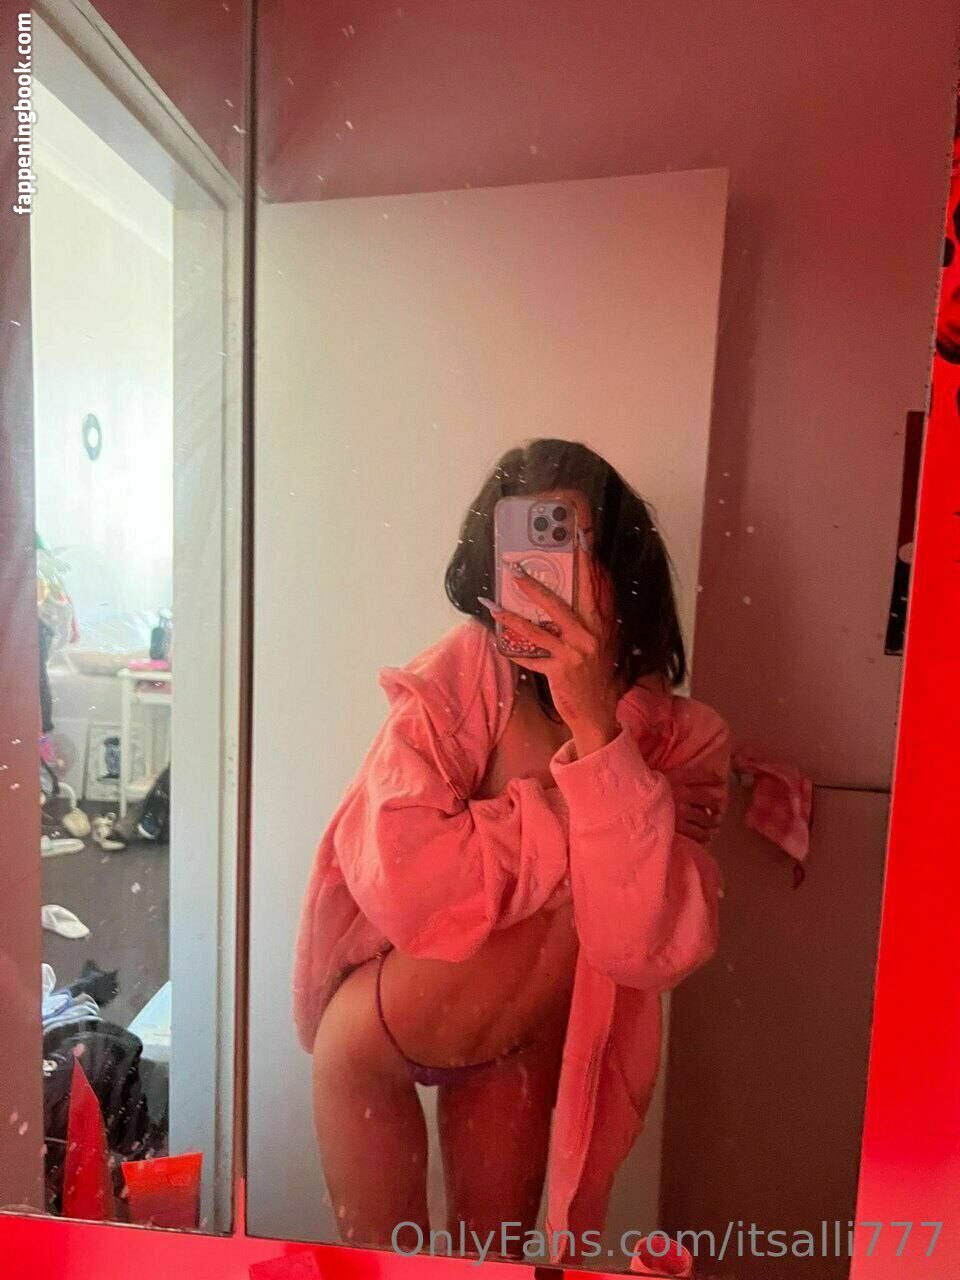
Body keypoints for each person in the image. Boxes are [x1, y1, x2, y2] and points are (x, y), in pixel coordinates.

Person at [293, 439, 730, 1259]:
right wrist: (603, 802)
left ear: (621, 565)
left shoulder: (682, 742)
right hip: (374, 1042)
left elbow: (641, 949)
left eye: (567, 551)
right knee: (381, 1278)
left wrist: (596, 728)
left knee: (491, 1270)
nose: (540, 586)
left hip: (516, 1057)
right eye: (521, 561)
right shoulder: (468, 674)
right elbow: (407, 880)